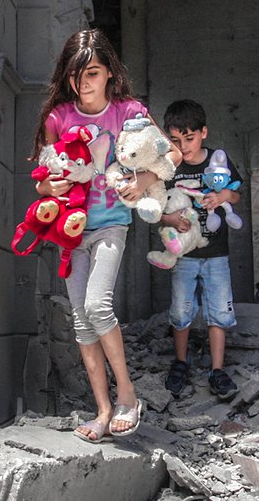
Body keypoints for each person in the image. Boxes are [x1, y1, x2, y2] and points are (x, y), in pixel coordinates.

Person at [30, 29, 170, 442]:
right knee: (81, 322)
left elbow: (170, 155)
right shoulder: (58, 118)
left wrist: (142, 180)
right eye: (76, 75)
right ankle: (104, 411)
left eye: (92, 72)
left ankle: (127, 395)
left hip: (110, 224)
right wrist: (47, 189)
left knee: (97, 305)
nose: (83, 83)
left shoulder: (129, 112)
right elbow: (40, 179)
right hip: (70, 232)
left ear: (109, 73)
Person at [159, 99, 242, 400]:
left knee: (218, 311)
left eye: (189, 138)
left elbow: (236, 195)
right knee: (181, 311)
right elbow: (154, 209)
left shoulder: (218, 160)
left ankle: (217, 370)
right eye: (176, 141)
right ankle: (180, 363)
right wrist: (171, 218)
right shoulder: (169, 167)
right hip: (183, 255)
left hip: (216, 255)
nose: (184, 147)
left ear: (203, 132)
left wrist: (221, 197)